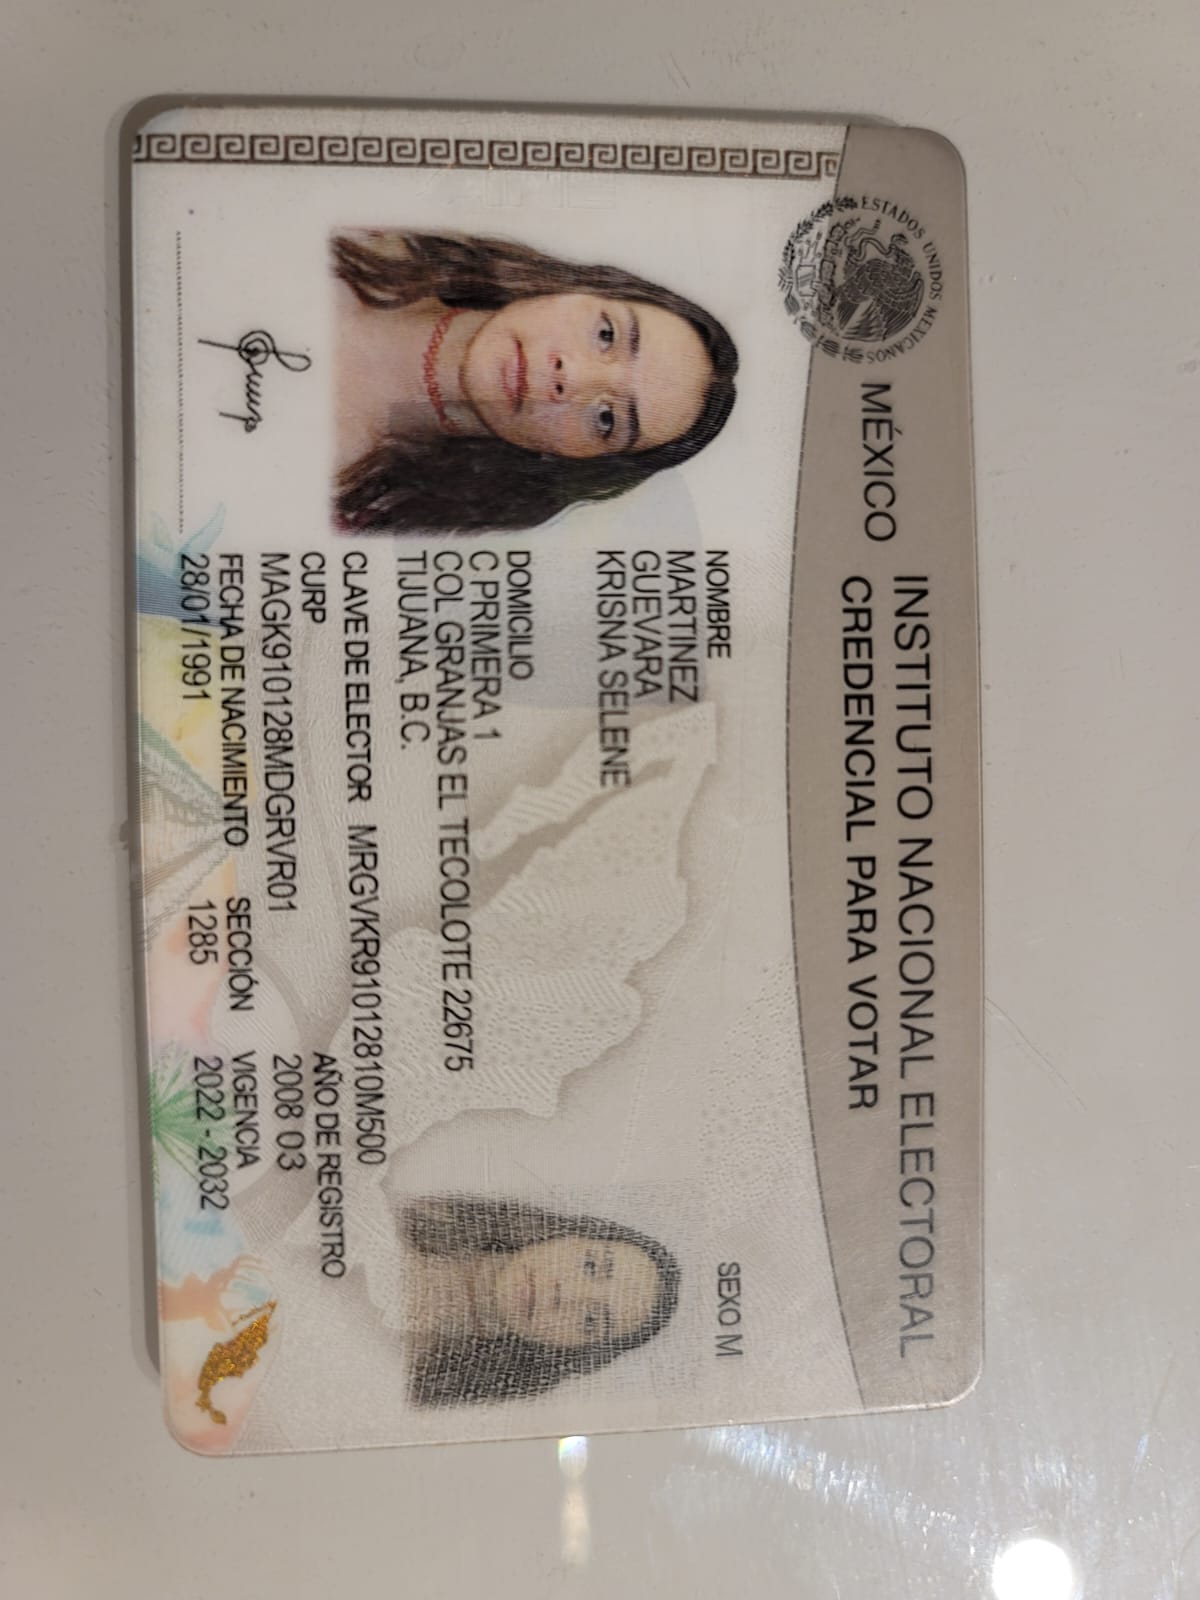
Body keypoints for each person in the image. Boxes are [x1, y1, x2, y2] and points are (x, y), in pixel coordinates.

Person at [332, 229, 738, 533]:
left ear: (569, 459)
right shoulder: (360, 236)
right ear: (579, 288)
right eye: (606, 334)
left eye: (606, 418)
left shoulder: (355, 506)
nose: (572, 376)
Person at [398, 1195, 681, 1405]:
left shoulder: (418, 1382)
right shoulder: (409, 1214)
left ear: (572, 1350)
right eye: (590, 1266)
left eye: (590, 1319)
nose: (563, 1295)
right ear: (571, 1236)